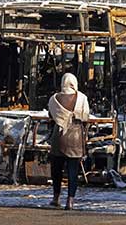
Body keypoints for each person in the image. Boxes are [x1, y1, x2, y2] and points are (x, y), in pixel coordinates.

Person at [47, 73, 90, 210]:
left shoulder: (54, 99)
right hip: (75, 137)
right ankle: (70, 201)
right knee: (73, 171)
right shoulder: (82, 98)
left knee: (56, 170)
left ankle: (56, 198)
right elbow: (85, 117)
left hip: (58, 137)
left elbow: (50, 116)